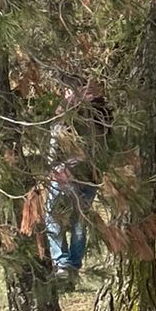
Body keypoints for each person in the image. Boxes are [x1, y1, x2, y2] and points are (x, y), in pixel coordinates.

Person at [45, 84, 111, 287]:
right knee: (78, 221)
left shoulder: (70, 116)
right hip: (87, 175)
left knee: (54, 216)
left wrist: (56, 167)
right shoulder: (102, 115)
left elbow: (55, 149)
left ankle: (64, 265)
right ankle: (71, 266)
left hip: (67, 175)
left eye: (67, 90)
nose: (64, 93)